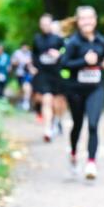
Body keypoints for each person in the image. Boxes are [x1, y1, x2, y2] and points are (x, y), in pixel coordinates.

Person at [61, 6, 104, 180]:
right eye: (83, 19)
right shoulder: (73, 42)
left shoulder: (101, 40)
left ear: (95, 20)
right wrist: (83, 61)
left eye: (90, 18)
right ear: (78, 21)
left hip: (96, 89)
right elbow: (64, 64)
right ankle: (74, 152)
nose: (87, 22)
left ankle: (91, 162)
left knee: (93, 124)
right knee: (77, 124)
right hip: (76, 90)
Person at [30, 14, 64, 142]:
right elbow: (34, 54)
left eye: (47, 23)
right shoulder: (37, 39)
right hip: (42, 74)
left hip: (56, 74)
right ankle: (47, 129)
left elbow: (66, 53)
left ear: (51, 24)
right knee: (46, 100)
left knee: (56, 103)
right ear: (40, 25)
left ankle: (55, 121)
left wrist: (58, 55)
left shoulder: (57, 39)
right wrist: (33, 66)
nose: (45, 26)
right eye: (42, 24)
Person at [10, 43, 34, 110]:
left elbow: (32, 63)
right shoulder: (17, 53)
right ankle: (21, 101)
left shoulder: (30, 53)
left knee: (27, 87)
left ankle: (26, 102)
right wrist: (17, 62)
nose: (25, 48)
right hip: (19, 73)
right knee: (21, 88)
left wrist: (30, 65)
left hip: (27, 73)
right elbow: (12, 62)